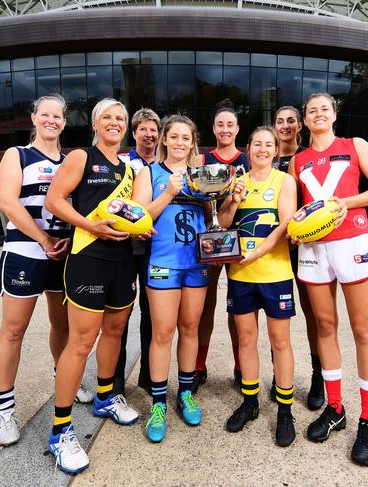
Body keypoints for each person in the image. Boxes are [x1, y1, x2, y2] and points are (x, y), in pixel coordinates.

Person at [289, 92, 368, 466]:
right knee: (324, 327)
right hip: (314, 249)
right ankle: (336, 407)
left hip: (353, 241)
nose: (318, 114)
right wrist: (297, 227)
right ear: (305, 120)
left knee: (363, 329)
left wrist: (343, 204)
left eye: (324, 109)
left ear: (334, 115)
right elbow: (295, 210)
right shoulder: (298, 161)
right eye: (311, 110)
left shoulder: (355, 145)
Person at [44, 98, 141, 474]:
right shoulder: (81, 157)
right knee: (81, 342)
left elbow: (129, 214)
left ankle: (106, 397)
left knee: (115, 331)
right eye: (108, 118)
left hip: (121, 260)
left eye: (121, 118)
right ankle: (60, 431)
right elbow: (54, 200)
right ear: (96, 124)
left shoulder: (130, 168)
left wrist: (141, 226)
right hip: (88, 258)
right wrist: (88, 226)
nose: (115, 123)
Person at [0, 95, 93, 448]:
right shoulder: (16, 155)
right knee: (14, 329)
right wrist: (44, 239)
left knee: (63, 324)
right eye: (45, 114)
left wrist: (64, 241)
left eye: (58, 116)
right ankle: (4, 409)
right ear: (34, 118)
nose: (51, 120)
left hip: (63, 254)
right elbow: (8, 203)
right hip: (26, 251)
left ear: (64, 123)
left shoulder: (72, 161)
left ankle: (63, 376)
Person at [217, 126, 298, 446]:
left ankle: (285, 411)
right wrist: (233, 200)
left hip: (274, 273)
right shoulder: (237, 181)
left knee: (280, 342)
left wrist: (256, 253)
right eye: (257, 144)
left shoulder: (285, 181)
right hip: (240, 275)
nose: (263, 149)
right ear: (247, 149)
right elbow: (223, 223)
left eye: (269, 145)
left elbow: (285, 224)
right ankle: (250, 402)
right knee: (246, 339)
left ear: (276, 150)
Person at [132, 115, 209, 443]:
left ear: (193, 142)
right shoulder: (149, 172)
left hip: (197, 262)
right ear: (164, 139)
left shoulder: (202, 176)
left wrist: (229, 195)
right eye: (174, 136)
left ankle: (186, 392)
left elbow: (212, 214)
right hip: (164, 262)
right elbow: (136, 218)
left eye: (186, 138)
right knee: (162, 332)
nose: (180, 142)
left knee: (190, 328)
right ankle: (159, 403)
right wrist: (168, 193)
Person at [193, 100, 249, 393]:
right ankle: (199, 366)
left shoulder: (248, 159)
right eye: (220, 124)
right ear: (213, 129)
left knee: (237, 306)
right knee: (206, 304)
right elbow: (199, 201)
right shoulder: (203, 161)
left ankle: (241, 367)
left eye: (230, 124)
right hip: (212, 239)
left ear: (237, 129)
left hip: (242, 238)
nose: (225, 129)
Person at [272, 106, 324, 410]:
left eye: (291, 120)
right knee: (274, 314)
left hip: (304, 245)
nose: (286, 125)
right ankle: (281, 378)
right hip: (272, 246)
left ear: (299, 125)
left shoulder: (306, 157)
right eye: (280, 121)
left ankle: (318, 375)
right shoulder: (263, 154)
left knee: (312, 312)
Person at [115, 108, 162, 396]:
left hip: (154, 247)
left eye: (154, 130)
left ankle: (147, 375)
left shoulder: (165, 164)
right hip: (123, 248)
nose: (149, 134)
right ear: (134, 133)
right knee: (120, 314)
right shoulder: (121, 161)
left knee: (152, 314)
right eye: (143, 129)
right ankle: (115, 379)